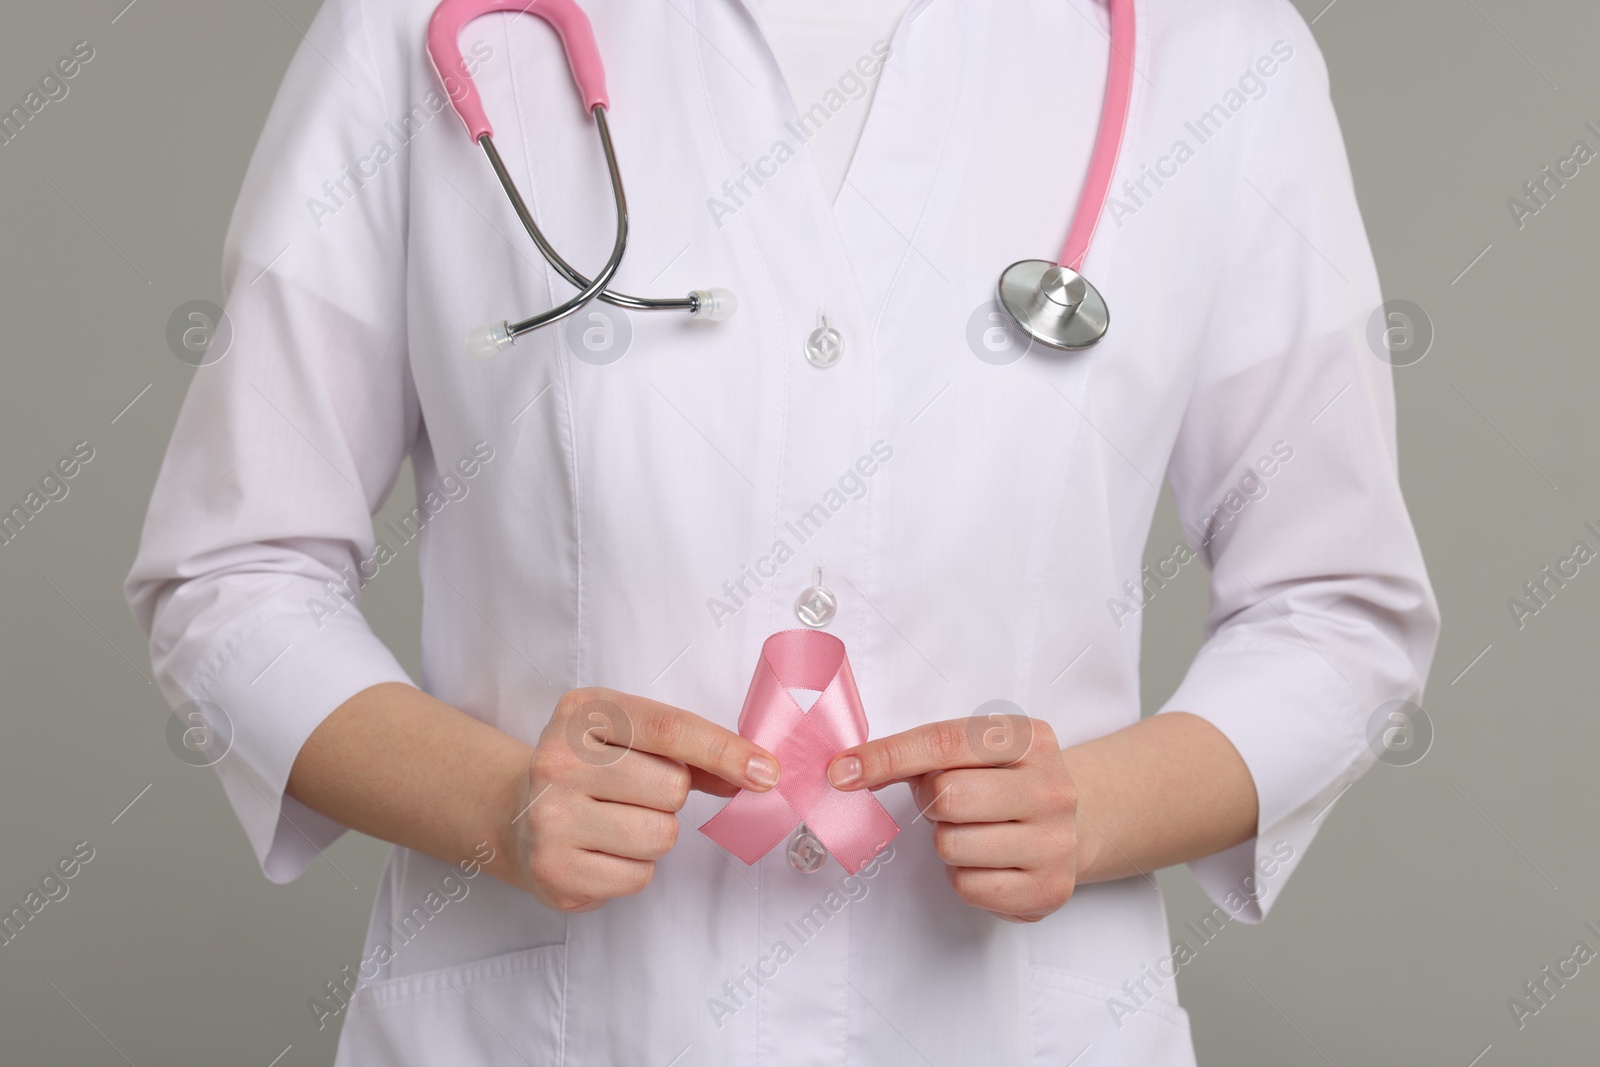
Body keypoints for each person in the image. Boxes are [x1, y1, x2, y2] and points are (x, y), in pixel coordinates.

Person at [125, 0, 1439, 1063]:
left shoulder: (1213, 51)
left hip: (1014, 1026)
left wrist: (1098, 811)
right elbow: (234, 569)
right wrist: (497, 803)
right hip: (557, 1032)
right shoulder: (416, 28)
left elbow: (1338, 605)